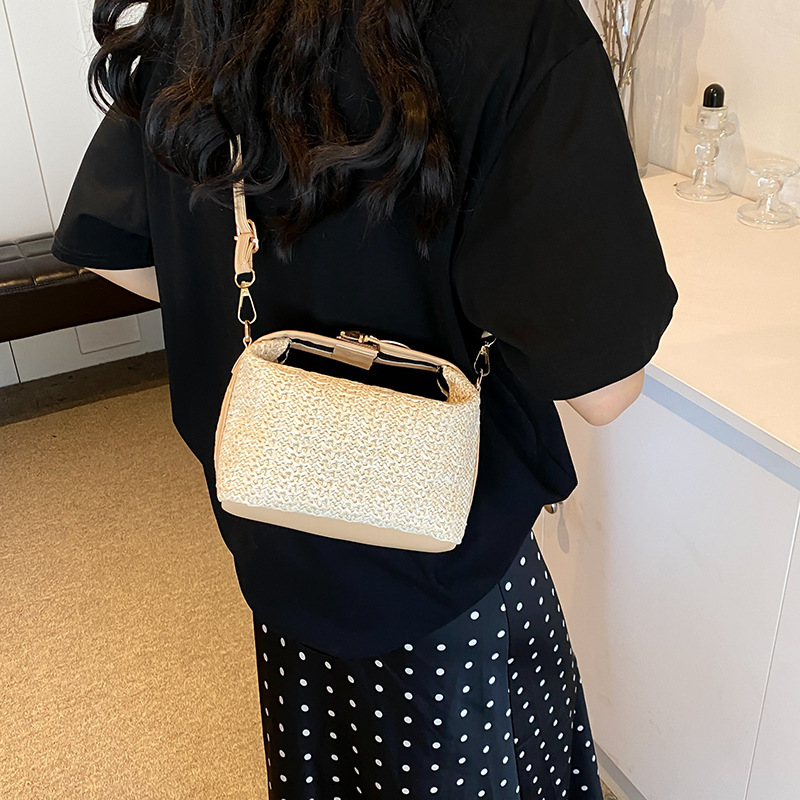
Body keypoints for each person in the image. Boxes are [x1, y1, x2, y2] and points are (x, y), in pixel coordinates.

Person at [53, 0, 678, 796]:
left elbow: (113, 250)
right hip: (442, 574)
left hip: (276, 528)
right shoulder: (517, 25)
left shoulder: (203, 13)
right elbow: (605, 391)